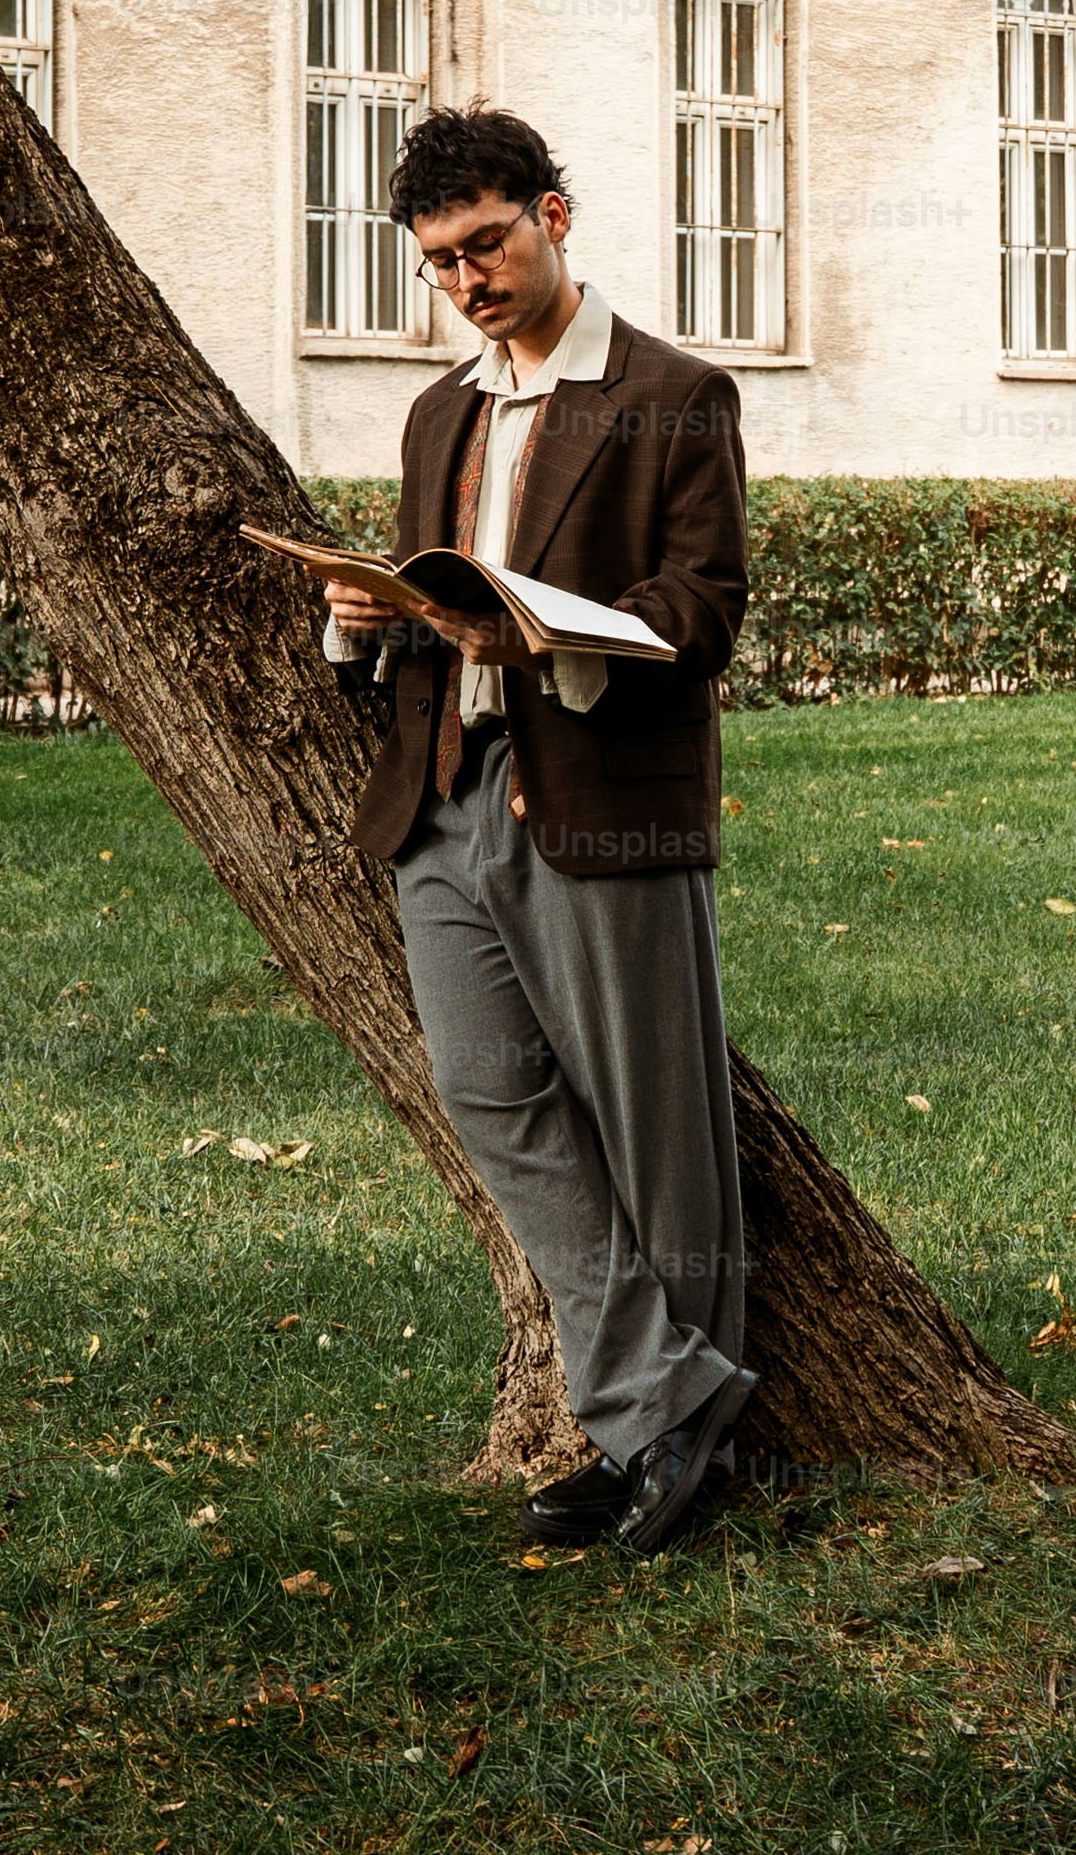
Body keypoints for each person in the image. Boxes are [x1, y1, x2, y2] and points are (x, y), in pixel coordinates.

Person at [316, 107, 759, 1556]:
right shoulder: (437, 411)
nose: (468, 280)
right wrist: (362, 623)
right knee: (492, 1096)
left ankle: (666, 1443)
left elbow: (703, 614)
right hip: (442, 798)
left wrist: (547, 633)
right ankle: (665, 1399)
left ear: (555, 216)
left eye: (487, 244)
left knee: (654, 1133)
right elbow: (426, 606)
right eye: (440, 261)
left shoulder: (676, 395)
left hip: (598, 800)